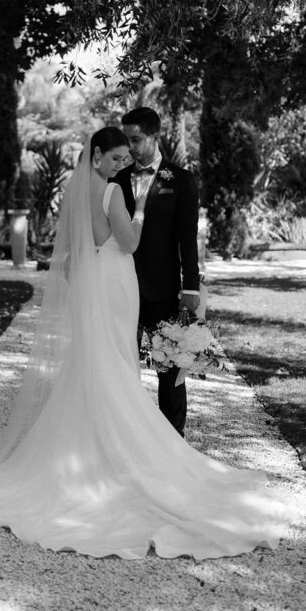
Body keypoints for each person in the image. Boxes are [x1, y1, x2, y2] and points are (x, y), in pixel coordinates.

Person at [0, 127, 287, 560]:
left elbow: (79, 249)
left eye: (123, 159)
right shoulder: (112, 192)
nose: (121, 164)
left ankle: (87, 447)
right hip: (115, 280)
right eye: (114, 158)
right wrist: (140, 217)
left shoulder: (75, 191)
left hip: (94, 281)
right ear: (96, 156)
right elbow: (128, 243)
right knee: (115, 360)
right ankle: (123, 451)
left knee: (97, 357)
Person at [116, 107, 199, 436]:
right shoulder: (118, 180)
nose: (130, 147)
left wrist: (189, 287)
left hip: (165, 292)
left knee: (171, 373)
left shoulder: (180, 180)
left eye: (135, 139)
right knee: (122, 370)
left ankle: (174, 443)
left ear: (155, 136)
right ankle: (126, 441)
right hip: (123, 290)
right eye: (126, 140)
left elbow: (187, 238)